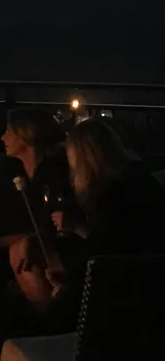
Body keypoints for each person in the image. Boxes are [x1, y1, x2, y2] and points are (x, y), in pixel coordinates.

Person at [0, 108, 80, 311]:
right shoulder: (14, 172)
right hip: (22, 246)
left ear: (25, 133)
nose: (3, 137)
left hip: (54, 251)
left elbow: (43, 232)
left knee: (17, 251)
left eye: (9, 131)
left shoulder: (53, 176)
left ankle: (50, 318)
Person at [42, 119, 165, 330]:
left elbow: (109, 252)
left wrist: (76, 228)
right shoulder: (137, 178)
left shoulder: (113, 193)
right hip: (147, 278)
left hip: (132, 290)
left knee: (51, 315)